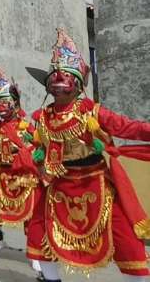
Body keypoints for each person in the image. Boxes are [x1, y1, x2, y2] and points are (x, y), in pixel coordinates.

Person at [25, 28, 150, 282]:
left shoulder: (91, 112)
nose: (57, 87)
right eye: (53, 82)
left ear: (77, 85)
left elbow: (128, 127)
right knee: (38, 233)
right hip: (59, 187)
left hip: (96, 183)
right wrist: (38, 164)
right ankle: (51, 279)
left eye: (64, 82)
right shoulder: (42, 118)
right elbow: (37, 151)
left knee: (126, 237)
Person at [0, 67, 40, 262]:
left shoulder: (26, 126)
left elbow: (40, 145)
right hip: (3, 175)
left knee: (31, 216)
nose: (1, 106)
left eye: (5, 102)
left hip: (25, 176)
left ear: (15, 104)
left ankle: (36, 256)